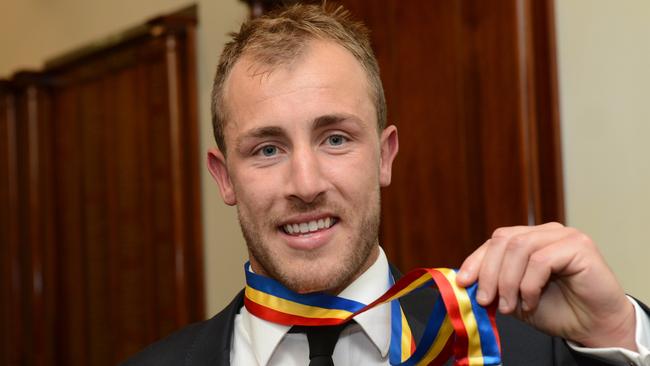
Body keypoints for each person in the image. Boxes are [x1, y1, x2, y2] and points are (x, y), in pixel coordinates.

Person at [123, 4, 649, 365]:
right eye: (267, 149)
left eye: (335, 139)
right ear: (224, 176)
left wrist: (616, 332)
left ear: (385, 155)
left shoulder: (531, 351)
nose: (305, 184)